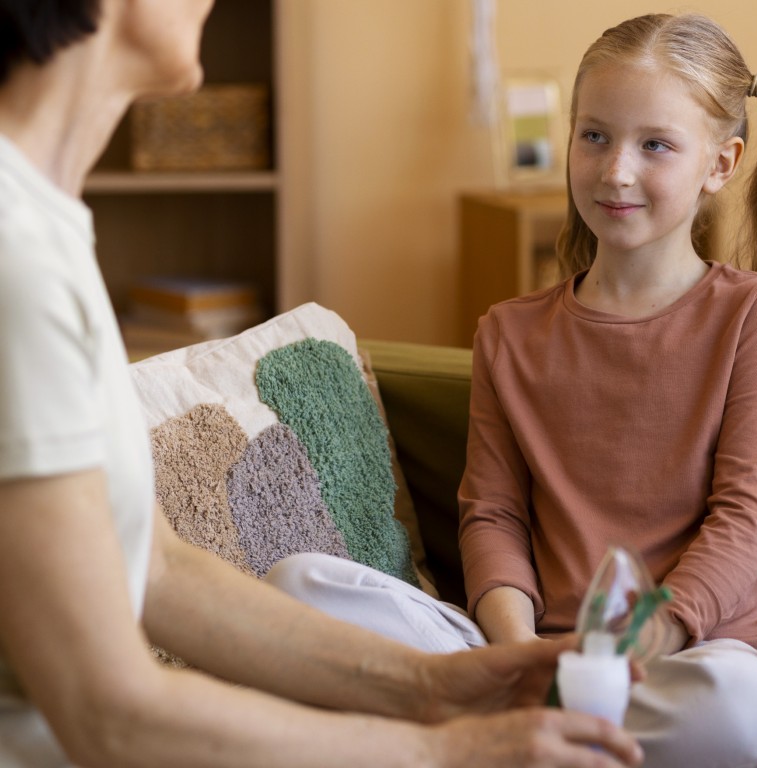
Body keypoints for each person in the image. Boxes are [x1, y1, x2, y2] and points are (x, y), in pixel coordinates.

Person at [0, 2, 643, 767]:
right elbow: (109, 715)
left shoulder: (44, 230)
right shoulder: (19, 265)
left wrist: (434, 687)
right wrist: (451, 753)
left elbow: (155, 567)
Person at [265, 11, 757, 768]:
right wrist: (514, 657)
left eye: (655, 146)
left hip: (693, 655)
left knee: (737, 712)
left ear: (721, 163)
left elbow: (743, 520)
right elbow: (494, 516)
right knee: (296, 586)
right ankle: (531, 725)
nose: (615, 171)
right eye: (595, 136)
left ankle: (514, 738)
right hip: (533, 656)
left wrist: (642, 643)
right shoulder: (508, 332)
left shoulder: (752, 314)